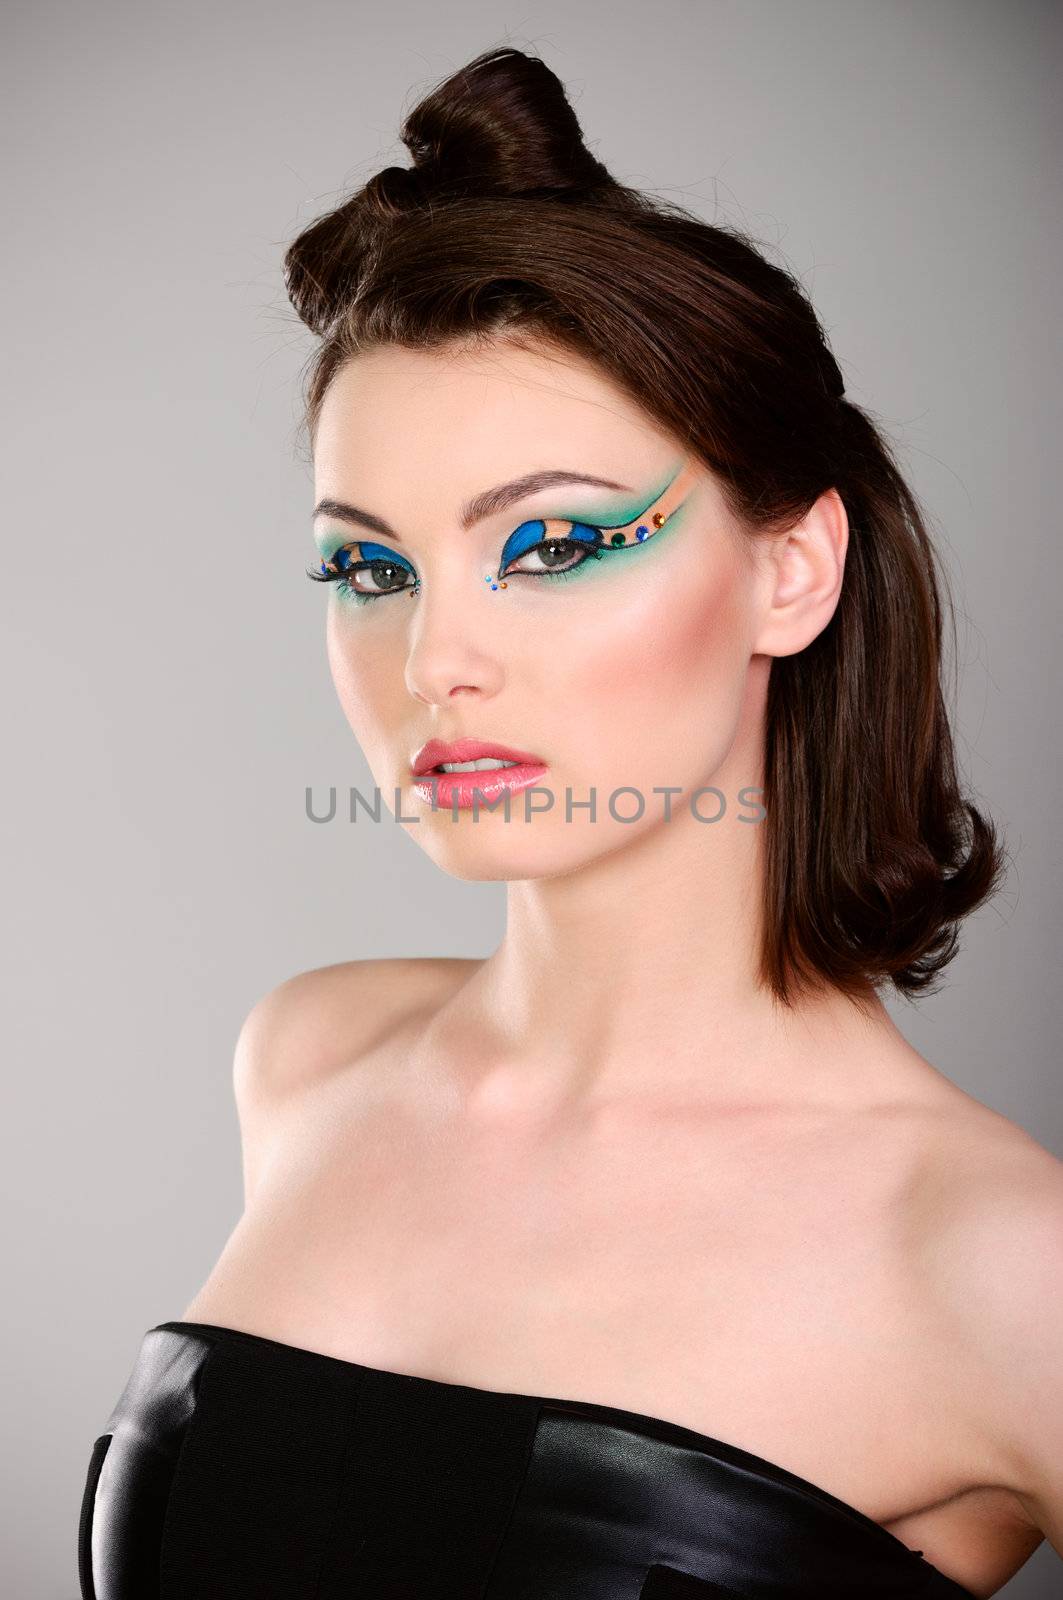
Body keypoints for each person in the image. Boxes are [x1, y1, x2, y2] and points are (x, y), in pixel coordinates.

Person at [78, 44, 1062, 1600]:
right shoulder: (312, 1062)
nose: (436, 659)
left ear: (791, 570)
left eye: (547, 543)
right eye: (369, 567)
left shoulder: (1000, 1263)